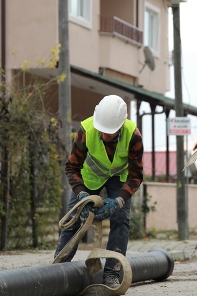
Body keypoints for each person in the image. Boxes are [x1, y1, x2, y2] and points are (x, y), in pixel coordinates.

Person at [54, 95, 144, 289]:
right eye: (101, 130)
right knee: (74, 221)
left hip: (118, 179)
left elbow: (136, 175)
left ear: (120, 126)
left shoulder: (133, 135)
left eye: (109, 133)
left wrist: (119, 201)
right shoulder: (86, 130)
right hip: (89, 179)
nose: (104, 135)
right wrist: (82, 195)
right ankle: (57, 270)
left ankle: (112, 273)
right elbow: (71, 167)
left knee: (120, 220)